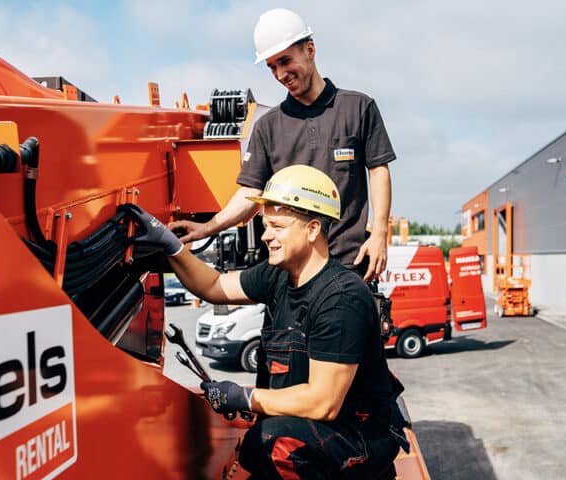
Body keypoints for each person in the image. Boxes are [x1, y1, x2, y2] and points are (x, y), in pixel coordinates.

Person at [119, 165, 406, 479]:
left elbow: (323, 403)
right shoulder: (277, 276)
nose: (266, 236)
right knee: (262, 445)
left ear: (312, 230)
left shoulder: (340, 299)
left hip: (357, 438)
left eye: (277, 226)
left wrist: (245, 396)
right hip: (312, 427)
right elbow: (213, 287)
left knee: (271, 442)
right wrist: (170, 245)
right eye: (265, 225)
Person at [170, 7, 396, 282]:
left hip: (348, 266)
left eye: (285, 61)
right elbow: (250, 192)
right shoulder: (268, 126)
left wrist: (380, 234)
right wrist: (207, 228)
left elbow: (378, 170)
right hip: (289, 275)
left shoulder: (358, 108)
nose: (279, 74)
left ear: (310, 50)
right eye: (271, 67)